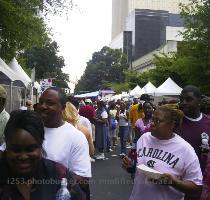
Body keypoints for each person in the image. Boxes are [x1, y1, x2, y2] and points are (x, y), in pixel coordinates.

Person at [123, 104, 203, 200]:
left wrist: (174, 182)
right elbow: (138, 167)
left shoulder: (185, 149)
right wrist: (130, 167)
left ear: (171, 125)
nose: (152, 123)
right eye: (152, 119)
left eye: (158, 121)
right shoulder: (144, 138)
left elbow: (197, 187)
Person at [0, 110, 84, 200]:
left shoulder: (58, 174)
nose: (23, 156)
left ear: (41, 145)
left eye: (30, 149)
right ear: (6, 146)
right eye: (16, 150)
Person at [37, 87, 91, 199]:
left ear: (63, 107)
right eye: (41, 102)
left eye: (50, 103)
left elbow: (82, 178)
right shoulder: (28, 130)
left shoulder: (76, 137)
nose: (43, 106)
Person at [178, 85, 210, 174]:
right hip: (178, 179)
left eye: (188, 99)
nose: (183, 102)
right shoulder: (175, 123)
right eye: (181, 99)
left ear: (199, 101)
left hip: (203, 177)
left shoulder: (208, 123)